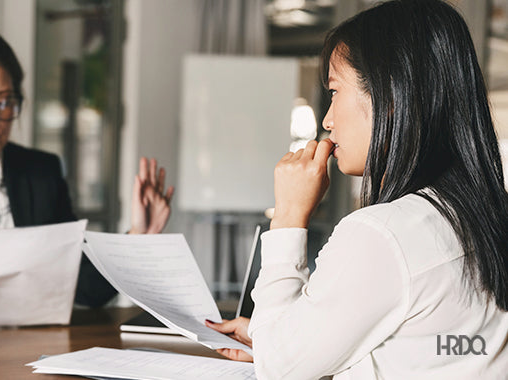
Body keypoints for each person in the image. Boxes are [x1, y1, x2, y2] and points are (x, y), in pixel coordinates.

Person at [207, 0, 508, 378]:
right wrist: (276, 336)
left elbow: (280, 369)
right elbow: (434, 347)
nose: (328, 120)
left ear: (392, 96)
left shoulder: (384, 233)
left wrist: (288, 216)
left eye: (335, 92)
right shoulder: (483, 217)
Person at [0, 21, 174, 326]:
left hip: (27, 357)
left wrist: (138, 236)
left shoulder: (41, 172)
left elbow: (86, 289)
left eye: (3, 102)